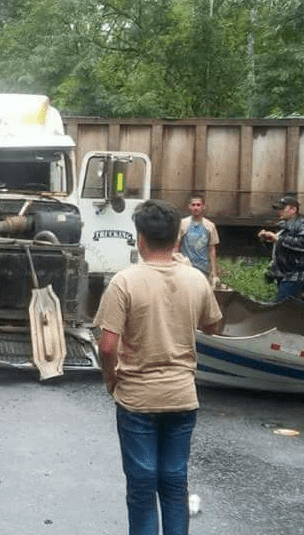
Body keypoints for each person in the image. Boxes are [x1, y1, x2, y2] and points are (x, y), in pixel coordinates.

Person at [96, 199, 223, 535]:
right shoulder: (195, 279)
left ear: (140, 238)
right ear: (177, 240)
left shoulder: (125, 282)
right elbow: (214, 326)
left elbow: (107, 346)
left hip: (137, 399)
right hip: (182, 397)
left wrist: (111, 380)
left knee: (141, 487)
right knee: (174, 483)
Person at [257, 195, 304, 302]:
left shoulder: (303, 225)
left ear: (293, 209)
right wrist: (267, 239)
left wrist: (278, 238)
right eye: (278, 209)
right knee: (288, 308)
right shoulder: (285, 226)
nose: (279, 212)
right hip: (285, 274)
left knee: (281, 307)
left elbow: (303, 244)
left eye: (282, 208)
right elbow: (283, 246)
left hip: (294, 274)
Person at [177, 195, 220, 286]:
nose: (196, 207)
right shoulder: (183, 224)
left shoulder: (210, 226)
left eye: (198, 205)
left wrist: (214, 273)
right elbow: (176, 247)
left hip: (203, 270)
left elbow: (212, 250)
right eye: (193, 205)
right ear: (189, 207)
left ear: (203, 207)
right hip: (185, 268)